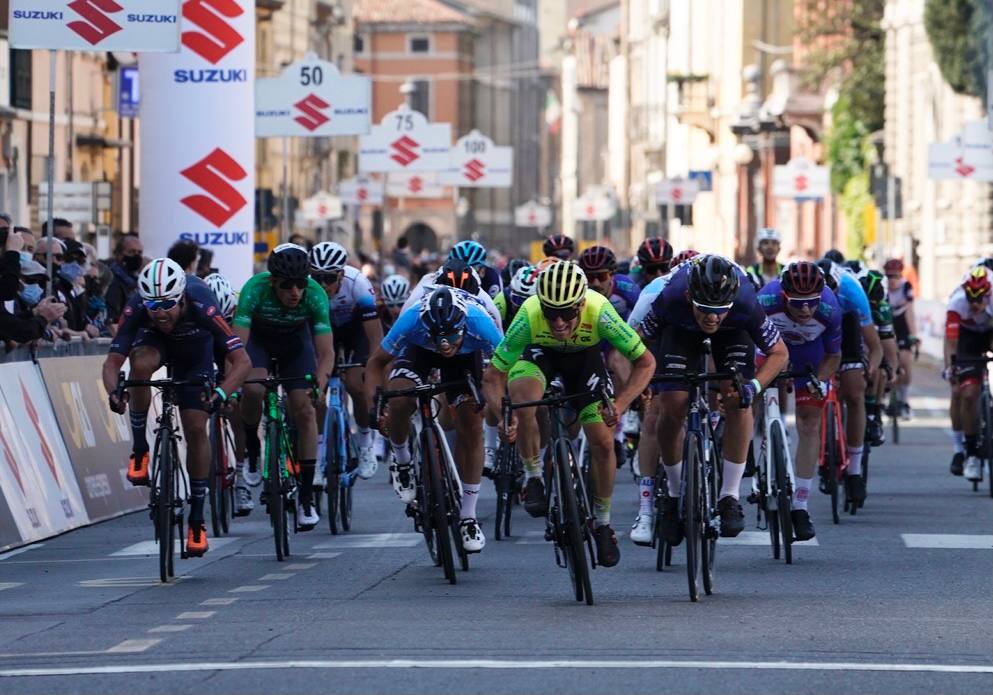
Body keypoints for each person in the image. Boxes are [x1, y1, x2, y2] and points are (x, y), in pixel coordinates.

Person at [482, 262, 656, 568]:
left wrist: (621, 404)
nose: (559, 322)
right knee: (525, 402)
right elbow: (493, 376)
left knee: (602, 441)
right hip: (539, 357)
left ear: (581, 304)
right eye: (551, 313)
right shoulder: (529, 315)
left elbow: (645, 362)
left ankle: (602, 524)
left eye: (566, 313)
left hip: (584, 362)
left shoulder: (600, 310)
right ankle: (533, 476)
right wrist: (502, 415)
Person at [103, 258, 251, 557]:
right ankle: (141, 449)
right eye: (153, 305)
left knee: (196, 427)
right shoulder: (137, 308)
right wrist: (114, 392)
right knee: (139, 365)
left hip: (196, 350)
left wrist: (223, 392)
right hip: (155, 345)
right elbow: (112, 362)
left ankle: (197, 518)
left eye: (168, 304)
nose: (160, 312)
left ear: (182, 297)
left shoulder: (203, 304)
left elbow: (242, 361)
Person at [641, 255, 788, 543]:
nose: (712, 317)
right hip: (680, 332)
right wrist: (642, 382)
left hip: (733, 334)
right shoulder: (671, 297)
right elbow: (637, 341)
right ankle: (673, 494)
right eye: (705, 309)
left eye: (719, 310)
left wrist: (754, 387)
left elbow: (779, 353)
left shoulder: (745, 301)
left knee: (737, 397)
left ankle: (729, 496)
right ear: (689, 296)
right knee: (672, 405)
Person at [366, 286, 503, 554]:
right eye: (438, 337)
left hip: (464, 360)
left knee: (473, 422)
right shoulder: (413, 319)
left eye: (450, 336)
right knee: (399, 399)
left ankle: (468, 516)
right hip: (418, 352)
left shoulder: (479, 322)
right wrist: (376, 407)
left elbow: (504, 369)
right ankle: (403, 462)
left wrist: (503, 410)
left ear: (462, 325)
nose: (445, 344)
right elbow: (376, 363)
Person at [233, 244, 334, 530]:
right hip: (259, 343)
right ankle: (253, 446)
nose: (295, 292)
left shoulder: (315, 294)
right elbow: (238, 347)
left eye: (301, 284)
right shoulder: (254, 289)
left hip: (295, 346)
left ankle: (305, 497)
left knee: (305, 409)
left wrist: (320, 384)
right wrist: (235, 381)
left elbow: (326, 354)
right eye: (288, 285)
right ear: (273, 281)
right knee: (253, 390)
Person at [757, 262, 842, 540]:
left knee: (809, 422)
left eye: (811, 304)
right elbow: (748, 344)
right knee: (751, 394)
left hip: (810, 355)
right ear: (783, 296)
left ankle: (801, 505)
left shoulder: (830, 309)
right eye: (797, 304)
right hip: (770, 349)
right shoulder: (766, 301)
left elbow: (833, 356)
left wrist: (819, 380)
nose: (805, 310)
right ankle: (754, 452)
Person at [309, 241, 384, 479]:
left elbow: (375, 339)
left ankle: (365, 444)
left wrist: (371, 371)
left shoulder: (358, 284)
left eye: (329, 278)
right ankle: (319, 454)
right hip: (322, 330)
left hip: (354, 331)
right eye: (317, 277)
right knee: (316, 396)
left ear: (341, 274)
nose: (322, 285)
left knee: (355, 385)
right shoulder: (308, 288)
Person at [815, 258, 881, 506]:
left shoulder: (852, 292)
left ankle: (854, 471)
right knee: (815, 395)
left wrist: (871, 369)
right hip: (815, 328)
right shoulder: (806, 295)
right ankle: (824, 459)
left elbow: (874, 345)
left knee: (854, 394)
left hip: (847, 328)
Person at [944, 266, 993, 481]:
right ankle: (967, 452)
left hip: (989, 332)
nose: (975, 305)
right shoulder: (957, 304)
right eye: (971, 299)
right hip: (966, 340)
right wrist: (951, 368)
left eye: (979, 300)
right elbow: (951, 343)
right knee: (965, 393)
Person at [858, 267, 899, 448]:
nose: (869, 306)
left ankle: (873, 415)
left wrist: (893, 371)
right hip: (853, 341)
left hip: (874, 343)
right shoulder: (852, 301)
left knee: (881, 372)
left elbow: (888, 344)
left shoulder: (882, 308)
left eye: (873, 303)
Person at [403, 258, 502, 329]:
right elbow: (404, 315)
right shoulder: (428, 281)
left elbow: (497, 331)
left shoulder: (481, 297)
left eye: (463, 298)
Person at [0, 259, 66, 346]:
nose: (36, 285)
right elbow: (17, 330)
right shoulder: (8, 299)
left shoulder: (31, 303)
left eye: (41, 282)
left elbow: (15, 322)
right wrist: (44, 318)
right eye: (31, 280)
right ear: (17, 278)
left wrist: (35, 312)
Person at [884, 258, 917, 418]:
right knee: (886, 361)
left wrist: (913, 335)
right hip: (886, 324)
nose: (892, 280)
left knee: (906, 362)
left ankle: (905, 401)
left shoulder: (906, 287)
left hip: (902, 324)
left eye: (896, 276)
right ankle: (884, 395)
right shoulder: (881, 288)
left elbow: (910, 313)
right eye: (889, 276)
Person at [106, 233, 145, 324]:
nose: (137, 256)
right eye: (131, 252)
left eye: (140, 252)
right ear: (119, 255)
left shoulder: (137, 280)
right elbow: (113, 317)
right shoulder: (112, 279)